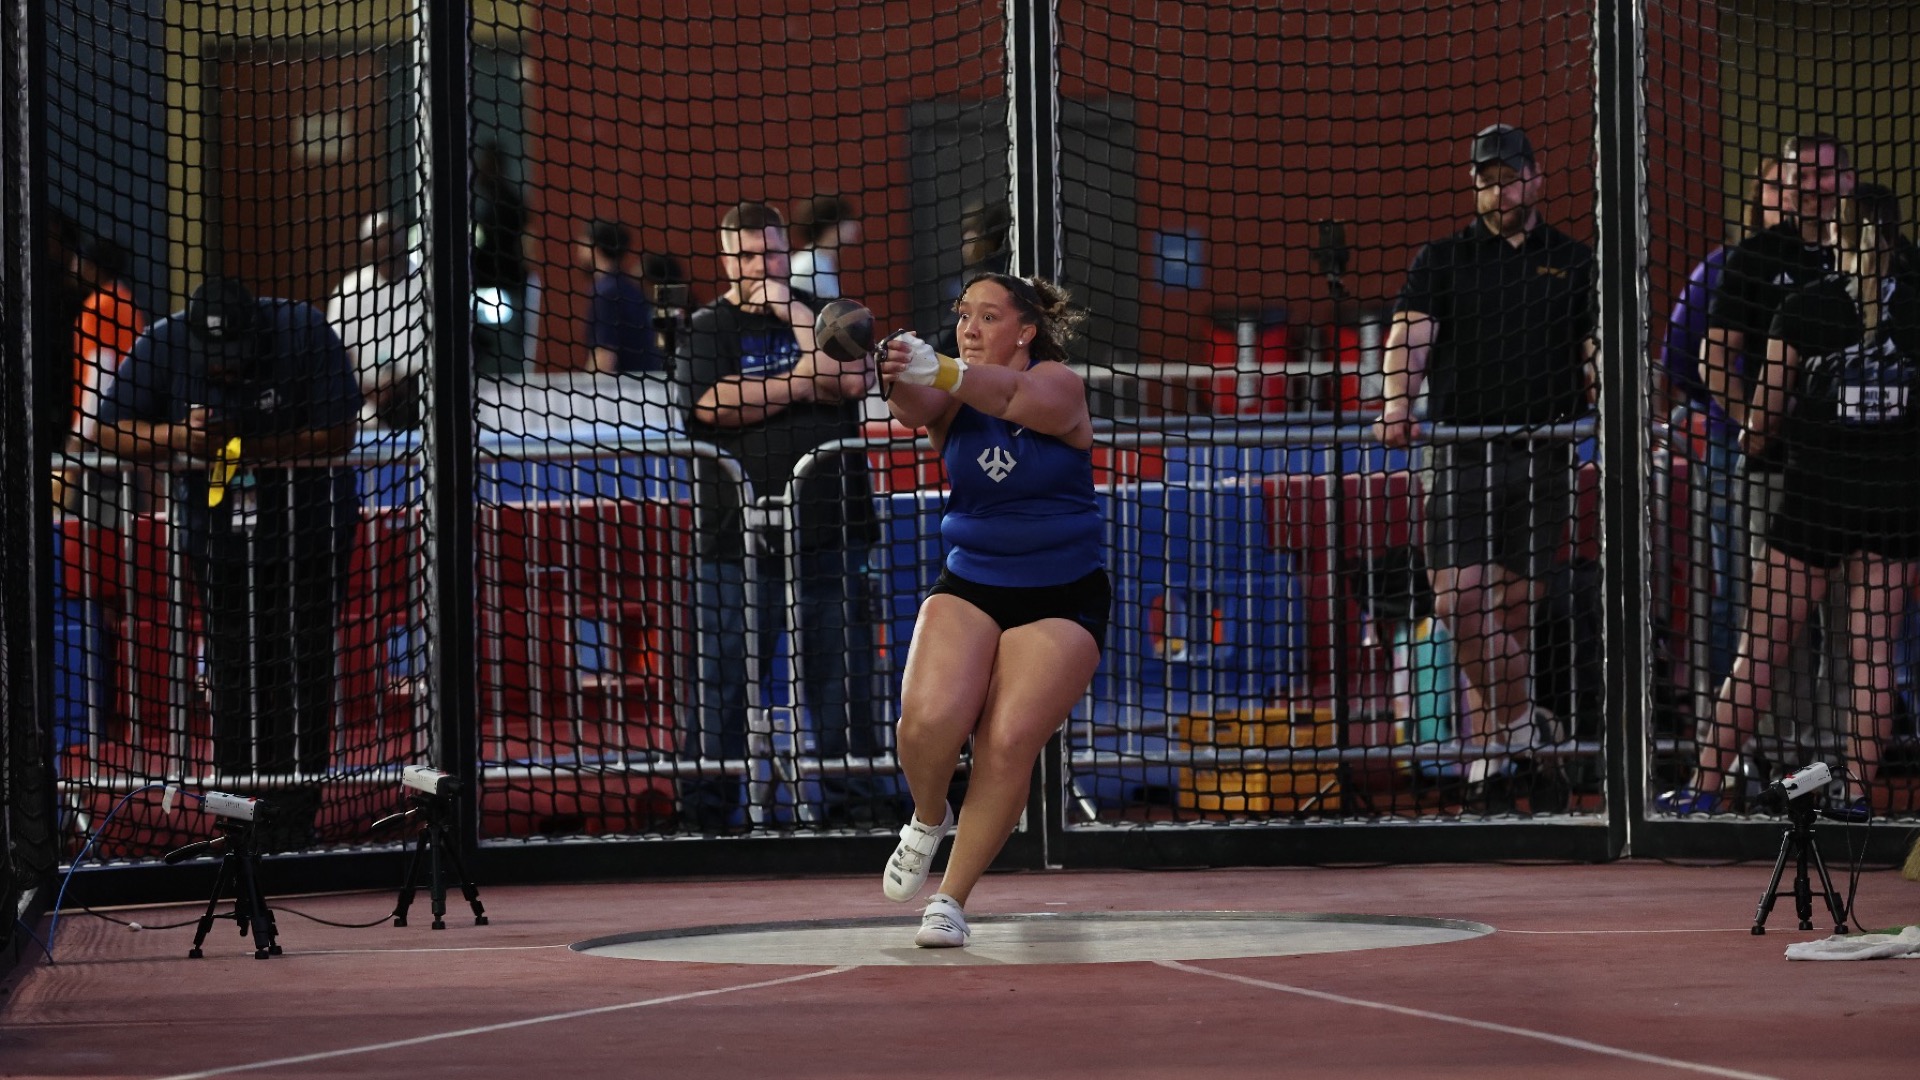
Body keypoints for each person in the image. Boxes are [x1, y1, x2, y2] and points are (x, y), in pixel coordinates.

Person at [876, 272, 1104, 949]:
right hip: (972, 579)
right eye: (962, 315)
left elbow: (1009, 396)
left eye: (988, 317)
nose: (969, 329)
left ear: (1026, 331)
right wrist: (888, 365)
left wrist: (939, 367)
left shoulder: (1058, 383)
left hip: (1062, 592)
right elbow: (912, 407)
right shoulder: (951, 394)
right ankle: (928, 817)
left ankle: (949, 899)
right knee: (926, 722)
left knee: (1005, 742)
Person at [1672, 187, 1919, 812]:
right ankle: (1854, 795)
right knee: (1871, 657)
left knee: (1759, 649)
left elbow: (1762, 421)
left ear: (1835, 237)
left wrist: (1755, 441)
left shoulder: (1805, 306)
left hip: (1814, 500)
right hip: (1893, 505)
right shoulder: (1917, 307)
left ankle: (1703, 791)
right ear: (1894, 238)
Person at [1374, 123, 1596, 811]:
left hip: (1544, 457)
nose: (1500, 192)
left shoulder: (1576, 262)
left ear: (1536, 179)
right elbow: (1409, 337)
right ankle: (1530, 728)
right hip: (1461, 456)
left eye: (1510, 178)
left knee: (1512, 615)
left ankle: (1495, 761)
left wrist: (1613, 401)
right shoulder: (1443, 259)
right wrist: (1397, 403)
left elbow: (1596, 347)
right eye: (1487, 181)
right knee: (1460, 604)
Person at [1659, 134, 1857, 813]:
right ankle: (1778, 765)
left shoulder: (1876, 260)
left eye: (1827, 175)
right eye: (1801, 176)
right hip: (1774, 473)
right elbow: (1708, 356)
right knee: (1771, 629)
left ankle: (1835, 770)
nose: (1814, 187)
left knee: (1856, 631)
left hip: (1866, 476)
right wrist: (1753, 426)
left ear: (1849, 181)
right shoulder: (1751, 259)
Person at [96, 277, 362, 780]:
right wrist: (179, 436)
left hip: (308, 531)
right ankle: (238, 798)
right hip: (219, 537)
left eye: (234, 357)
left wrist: (245, 448)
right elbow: (107, 429)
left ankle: (296, 798)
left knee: (302, 662)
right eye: (215, 360)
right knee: (231, 664)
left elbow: (340, 432)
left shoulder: (301, 329)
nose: (225, 370)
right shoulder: (167, 339)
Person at [674, 200, 881, 831]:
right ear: (724, 259)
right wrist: (802, 381)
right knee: (724, 682)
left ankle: (855, 805)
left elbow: (851, 380)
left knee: (842, 678)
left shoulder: (824, 314)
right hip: (734, 538)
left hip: (831, 527)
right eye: (743, 256)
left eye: (768, 253)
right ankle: (708, 814)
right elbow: (714, 404)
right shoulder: (707, 327)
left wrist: (793, 312)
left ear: (785, 252)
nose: (756, 267)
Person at [1659, 155, 1785, 688]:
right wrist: (1738, 416)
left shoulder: (1842, 268)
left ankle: (1819, 732)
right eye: (1778, 185)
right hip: (1737, 450)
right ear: (1759, 197)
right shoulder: (1723, 267)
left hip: (1826, 450)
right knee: (1739, 588)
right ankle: (1726, 721)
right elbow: (1680, 360)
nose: (1793, 194)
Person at [59, 232, 145, 511]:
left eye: (80, 260)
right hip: (127, 429)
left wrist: (80, 437)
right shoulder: (125, 301)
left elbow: (101, 373)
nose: (74, 265)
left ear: (94, 267)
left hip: (103, 435)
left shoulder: (101, 306)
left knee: (96, 517)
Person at [327, 211, 428, 429]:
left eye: (390, 238)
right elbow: (337, 358)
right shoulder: (349, 292)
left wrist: (406, 383)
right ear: (366, 249)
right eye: (378, 241)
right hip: (367, 408)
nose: (385, 245)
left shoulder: (428, 286)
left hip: (422, 401)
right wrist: (370, 391)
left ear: (403, 241)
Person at [472, 142, 532, 375]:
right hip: (487, 283)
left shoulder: (502, 200)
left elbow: (522, 241)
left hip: (504, 284)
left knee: (507, 346)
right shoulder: (481, 198)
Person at [574, 219, 661, 374]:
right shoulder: (629, 288)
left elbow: (604, 357)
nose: (579, 249)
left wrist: (584, 387)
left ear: (593, 246)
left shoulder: (606, 292)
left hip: (625, 385)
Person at [935, 200, 1012, 357]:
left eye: (970, 237)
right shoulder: (974, 277)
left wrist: (931, 352)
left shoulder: (996, 278)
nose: (965, 247)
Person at [789, 193, 862, 301]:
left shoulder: (823, 262)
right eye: (847, 219)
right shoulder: (809, 267)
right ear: (831, 226)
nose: (856, 225)